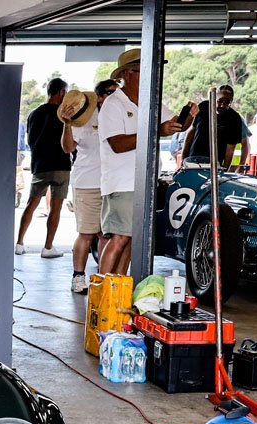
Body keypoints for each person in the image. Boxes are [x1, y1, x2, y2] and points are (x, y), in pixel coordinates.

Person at [98, 48, 195, 276]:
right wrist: (156, 130)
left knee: (132, 239)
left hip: (144, 183)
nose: (151, 76)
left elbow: (175, 125)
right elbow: (117, 144)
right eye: (144, 70)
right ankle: (100, 288)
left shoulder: (150, 102)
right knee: (120, 237)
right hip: (123, 183)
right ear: (127, 74)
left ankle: (118, 286)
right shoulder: (114, 104)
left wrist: (188, 117)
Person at [60, 81, 116, 294]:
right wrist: (67, 125)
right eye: (110, 92)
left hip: (112, 183)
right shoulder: (84, 118)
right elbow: (67, 148)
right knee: (86, 233)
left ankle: (101, 277)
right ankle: (78, 276)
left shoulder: (118, 116)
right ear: (100, 96)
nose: (115, 96)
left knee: (105, 234)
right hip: (87, 183)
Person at [16, 77, 71, 259]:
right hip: (60, 164)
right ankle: (48, 247)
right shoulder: (64, 115)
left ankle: (19, 243)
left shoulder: (34, 113)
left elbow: (30, 140)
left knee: (31, 204)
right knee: (55, 208)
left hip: (39, 164)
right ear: (61, 92)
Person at [179, 85, 244, 171]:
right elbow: (191, 133)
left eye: (227, 102)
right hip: (193, 159)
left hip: (215, 164)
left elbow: (230, 150)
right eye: (220, 101)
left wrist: (224, 171)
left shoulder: (234, 118)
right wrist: (183, 159)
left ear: (231, 101)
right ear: (214, 98)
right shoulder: (203, 107)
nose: (222, 105)